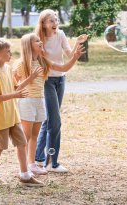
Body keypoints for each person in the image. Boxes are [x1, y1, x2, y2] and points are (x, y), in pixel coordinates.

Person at [13, 33, 85, 175]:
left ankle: (32, 164)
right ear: (29, 46)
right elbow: (15, 87)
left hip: (40, 101)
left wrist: (75, 58)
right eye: (36, 41)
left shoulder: (43, 61)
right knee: (25, 137)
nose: (40, 42)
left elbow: (63, 68)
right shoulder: (21, 64)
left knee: (35, 135)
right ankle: (23, 168)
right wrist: (31, 77)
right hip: (27, 102)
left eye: (40, 40)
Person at [35, 9, 88, 173]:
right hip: (47, 80)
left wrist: (77, 44)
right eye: (51, 20)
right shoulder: (38, 40)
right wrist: (72, 59)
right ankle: (52, 163)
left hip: (61, 79)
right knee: (55, 121)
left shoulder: (61, 34)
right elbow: (53, 64)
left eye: (56, 19)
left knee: (49, 119)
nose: (55, 23)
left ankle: (38, 157)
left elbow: (68, 53)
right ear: (43, 23)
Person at [0, 38, 43, 187]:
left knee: (22, 143)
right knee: (0, 147)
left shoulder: (8, 68)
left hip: (12, 115)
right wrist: (15, 96)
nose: (10, 54)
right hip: (1, 117)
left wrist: (30, 78)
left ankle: (25, 175)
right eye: (7, 52)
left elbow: (15, 87)